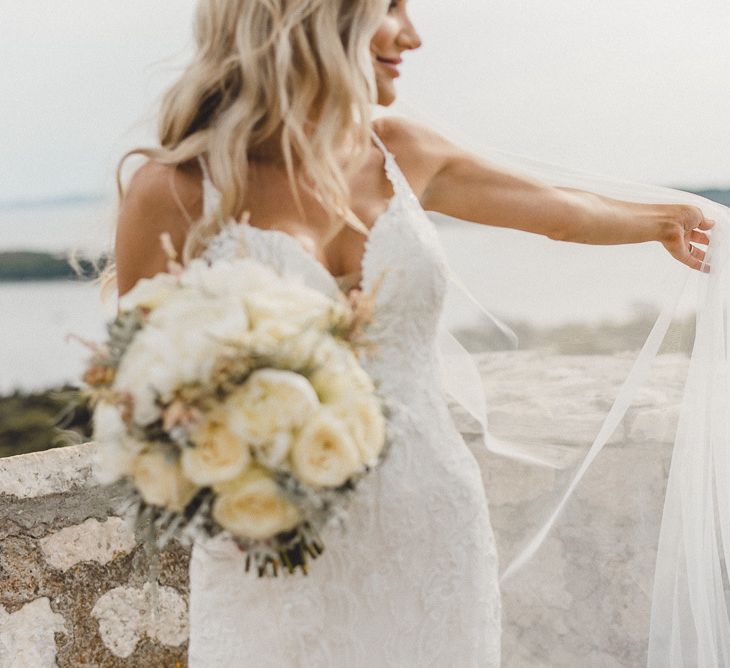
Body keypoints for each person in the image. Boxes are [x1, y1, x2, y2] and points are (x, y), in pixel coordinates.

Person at [104, 1, 715, 665]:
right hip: (270, 550)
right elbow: (141, 398)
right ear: (305, 19)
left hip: (431, 526)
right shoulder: (173, 190)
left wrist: (666, 218)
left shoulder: (399, 151)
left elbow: (561, 214)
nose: (412, 35)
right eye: (388, 8)